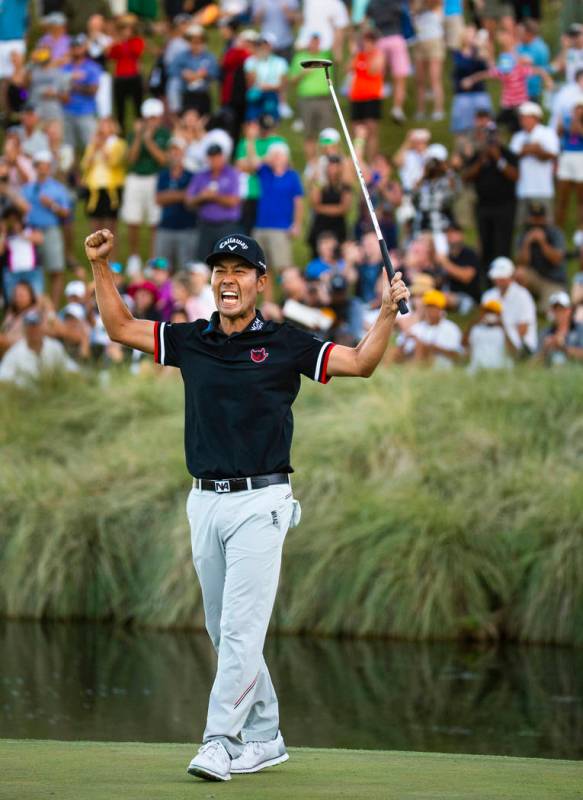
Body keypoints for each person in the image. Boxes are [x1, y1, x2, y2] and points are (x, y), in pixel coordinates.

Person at [83, 225, 409, 783]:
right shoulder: (192, 339)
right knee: (222, 629)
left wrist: (384, 314)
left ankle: (220, 740)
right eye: (219, 272)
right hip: (204, 502)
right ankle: (265, 736)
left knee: (239, 630)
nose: (226, 280)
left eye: (238, 271)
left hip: (264, 502)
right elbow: (118, 326)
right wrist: (100, 265)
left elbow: (359, 363)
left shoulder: (287, 342)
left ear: (259, 281)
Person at [246, 139, 304, 299]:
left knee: (284, 269)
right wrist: (254, 143)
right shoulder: (265, 171)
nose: (276, 158)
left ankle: (291, 301)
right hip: (261, 226)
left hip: (281, 228)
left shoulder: (292, 176)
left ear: (286, 157)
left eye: (279, 155)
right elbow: (252, 163)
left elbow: (298, 202)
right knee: (264, 269)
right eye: (274, 155)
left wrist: (296, 224)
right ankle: (268, 304)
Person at [120, 97, 171, 275]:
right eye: (148, 118)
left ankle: (152, 259)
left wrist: (148, 141)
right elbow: (131, 159)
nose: (151, 121)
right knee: (133, 220)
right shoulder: (135, 134)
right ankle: (134, 257)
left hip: (155, 179)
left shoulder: (164, 134)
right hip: (135, 178)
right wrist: (140, 137)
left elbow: (163, 160)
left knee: (154, 221)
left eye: (154, 118)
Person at [462, 120, 519, 267]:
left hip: (504, 207)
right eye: (488, 136)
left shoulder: (507, 154)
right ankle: (487, 278)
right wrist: (481, 162)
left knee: (503, 244)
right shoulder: (478, 156)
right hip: (484, 207)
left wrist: (498, 159)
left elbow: (515, 176)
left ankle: (504, 273)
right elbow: (466, 177)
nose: (491, 140)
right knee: (486, 244)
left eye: (493, 136)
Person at [21, 150, 72, 307]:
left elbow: (66, 213)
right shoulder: (27, 188)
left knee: (55, 269)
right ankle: (35, 306)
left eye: (47, 166)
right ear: (36, 167)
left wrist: (52, 205)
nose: (44, 169)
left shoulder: (57, 188)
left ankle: (54, 308)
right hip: (31, 231)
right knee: (34, 270)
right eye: (41, 166)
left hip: (51, 230)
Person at [186, 142, 242, 260]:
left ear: (223, 157)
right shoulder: (201, 175)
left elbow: (234, 201)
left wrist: (214, 196)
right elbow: (189, 201)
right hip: (205, 226)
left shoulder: (232, 174)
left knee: (226, 260)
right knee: (202, 261)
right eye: (211, 157)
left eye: (217, 156)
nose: (214, 160)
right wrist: (202, 197)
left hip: (226, 226)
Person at [510, 101, 560, 227]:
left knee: (546, 226)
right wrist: (533, 149)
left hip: (543, 189)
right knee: (523, 226)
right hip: (523, 189)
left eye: (526, 117)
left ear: (536, 118)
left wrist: (535, 150)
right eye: (521, 117)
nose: (522, 120)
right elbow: (513, 156)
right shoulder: (517, 136)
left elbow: (553, 154)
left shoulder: (548, 133)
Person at [235, 116, 288, 234]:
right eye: (264, 129)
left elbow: (257, 165)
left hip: (267, 192)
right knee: (245, 230)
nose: (266, 132)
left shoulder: (277, 141)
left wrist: (254, 161)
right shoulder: (245, 142)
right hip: (248, 192)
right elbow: (240, 166)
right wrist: (261, 160)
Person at [288, 33, 334, 160]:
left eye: (317, 42)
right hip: (306, 99)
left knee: (326, 134)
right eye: (312, 42)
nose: (314, 45)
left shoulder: (325, 57)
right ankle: (311, 164)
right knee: (309, 134)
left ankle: (327, 162)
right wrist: (303, 74)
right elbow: (291, 80)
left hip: (324, 99)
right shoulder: (300, 58)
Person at [80, 117, 127, 240]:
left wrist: (102, 147)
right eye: (101, 124)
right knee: (95, 229)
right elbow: (84, 165)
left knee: (110, 229)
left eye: (106, 124)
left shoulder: (118, 144)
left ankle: (112, 259)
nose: (102, 127)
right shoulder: (93, 144)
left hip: (111, 189)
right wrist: (94, 149)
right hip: (94, 189)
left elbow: (114, 162)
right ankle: (95, 257)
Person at [155, 136, 197, 269]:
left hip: (187, 228)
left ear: (183, 153)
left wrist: (169, 195)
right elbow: (159, 199)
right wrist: (181, 194)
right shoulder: (163, 175)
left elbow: (191, 199)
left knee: (186, 268)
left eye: (177, 151)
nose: (174, 154)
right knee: (163, 268)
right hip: (165, 228)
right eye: (172, 151)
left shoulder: (191, 175)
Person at [515, 202, 568, 309]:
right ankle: (522, 304)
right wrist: (526, 244)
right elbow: (521, 263)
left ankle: (540, 303)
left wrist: (543, 243)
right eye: (534, 218)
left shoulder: (555, 233)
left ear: (545, 218)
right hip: (534, 277)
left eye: (539, 218)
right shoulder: (524, 234)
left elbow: (557, 260)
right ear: (529, 218)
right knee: (519, 273)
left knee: (548, 310)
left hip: (553, 280)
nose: (537, 221)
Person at [366, 0, 411, 124]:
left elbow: (367, 23)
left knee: (380, 74)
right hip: (396, 39)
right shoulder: (396, 3)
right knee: (400, 78)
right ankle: (397, 108)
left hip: (380, 40)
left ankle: (384, 95)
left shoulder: (372, 4)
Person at [482, 256, 538, 354]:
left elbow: (523, 329)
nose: (499, 280)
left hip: (520, 344)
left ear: (511, 277)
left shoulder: (523, 295)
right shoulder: (488, 296)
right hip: (495, 339)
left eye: (502, 277)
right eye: (497, 278)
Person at [398, 289, 463, 368]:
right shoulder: (418, 327)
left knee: (421, 346)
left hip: (441, 367)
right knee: (393, 351)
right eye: (427, 307)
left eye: (433, 308)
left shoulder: (451, 328)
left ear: (441, 310)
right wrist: (405, 342)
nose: (429, 311)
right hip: (417, 362)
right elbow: (404, 351)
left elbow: (457, 355)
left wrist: (429, 347)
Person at [61, 34, 102, 151]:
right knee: (67, 150)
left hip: (86, 112)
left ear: (84, 48)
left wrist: (73, 85)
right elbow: (60, 89)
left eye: (79, 46)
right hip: (67, 112)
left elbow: (93, 90)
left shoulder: (92, 67)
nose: (76, 49)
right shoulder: (65, 68)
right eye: (73, 47)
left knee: (91, 147)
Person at [348, 30, 385, 160]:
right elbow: (349, 69)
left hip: (371, 96)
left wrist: (367, 55)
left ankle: (371, 160)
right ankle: (358, 159)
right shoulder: (358, 55)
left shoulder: (378, 55)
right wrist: (354, 54)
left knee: (371, 131)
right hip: (357, 96)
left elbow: (373, 70)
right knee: (357, 131)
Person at [169, 24, 219, 116]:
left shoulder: (209, 57)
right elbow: (172, 69)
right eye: (193, 42)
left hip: (202, 90)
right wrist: (183, 73)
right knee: (174, 83)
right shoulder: (182, 55)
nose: (196, 45)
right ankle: (176, 111)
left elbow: (215, 73)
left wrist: (202, 75)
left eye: (199, 42)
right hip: (185, 89)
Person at [307, 155, 352, 255]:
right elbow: (314, 203)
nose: (332, 170)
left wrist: (322, 208)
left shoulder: (344, 186)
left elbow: (344, 208)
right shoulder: (320, 184)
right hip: (320, 226)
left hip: (338, 227)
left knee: (338, 254)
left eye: (335, 166)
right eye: (330, 166)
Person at [108, 14, 145, 133]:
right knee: (120, 108)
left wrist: (125, 42)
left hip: (134, 76)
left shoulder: (137, 41)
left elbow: (137, 52)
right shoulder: (117, 42)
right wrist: (119, 42)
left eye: (129, 28)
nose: (127, 31)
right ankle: (121, 132)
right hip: (120, 77)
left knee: (138, 107)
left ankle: (139, 131)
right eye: (124, 28)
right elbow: (112, 55)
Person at [0, 206, 44, 302]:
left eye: (15, 220)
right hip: (12, 272)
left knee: (37, 298)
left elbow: (40, 239)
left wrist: (20, 233)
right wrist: (3, 233)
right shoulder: (5, 235)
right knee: (13, 300)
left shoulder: (29, 229)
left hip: (32, 270)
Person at [412, 0, 446, 121]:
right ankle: (420, 110)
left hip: (434, 40)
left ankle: (438, 110)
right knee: (420, 80)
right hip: (419, 41)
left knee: (434, 78)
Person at [437, 222, 482, 313]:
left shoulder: (469, 254)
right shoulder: (446, 255)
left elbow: (466, 277)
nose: (451, 236)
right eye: (448, 233)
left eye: (454, 233)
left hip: (468, 298)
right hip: (448, 294)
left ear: (462, 235)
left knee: (440, 298)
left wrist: (445, 263)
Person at [243, 33, 288, 122]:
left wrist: (267, 87)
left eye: (265, 46)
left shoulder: (280, 62)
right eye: (260, 46)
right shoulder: (250, 61)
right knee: (253, 122)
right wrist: (256, 62)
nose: (263, 49)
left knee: (270, 122)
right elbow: (250, 83)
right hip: (255, 96)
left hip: (271, 95)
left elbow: (282, 84)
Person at [464, 298, 515, 373]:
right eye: (486, 312)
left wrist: (503, 328)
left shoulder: (507, 330)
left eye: (492, 312)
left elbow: (514, 353)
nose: (489, 315)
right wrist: (472, 324)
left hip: (499, 368)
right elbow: (464, 344)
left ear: (498, 315)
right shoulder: (476, 329)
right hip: (479, 369)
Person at [555, 93, 583, 227]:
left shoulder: (576, 121)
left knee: (581, 198)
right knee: (562, 197)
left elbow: (577, 131)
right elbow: (559, 133)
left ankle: (580, 231)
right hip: (566, 156)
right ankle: (559, 228)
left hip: (580, 157)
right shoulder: (568, 120)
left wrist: (577, 120)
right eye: (577, 108)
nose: (579, 110)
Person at [539, 290, 583, 365]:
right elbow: (531, 364)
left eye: (562, 309)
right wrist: (545, 350)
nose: (559, 313)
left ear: (569, 310)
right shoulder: (545, 333)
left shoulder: (580, 330)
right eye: (555, 310)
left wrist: (563, 347)